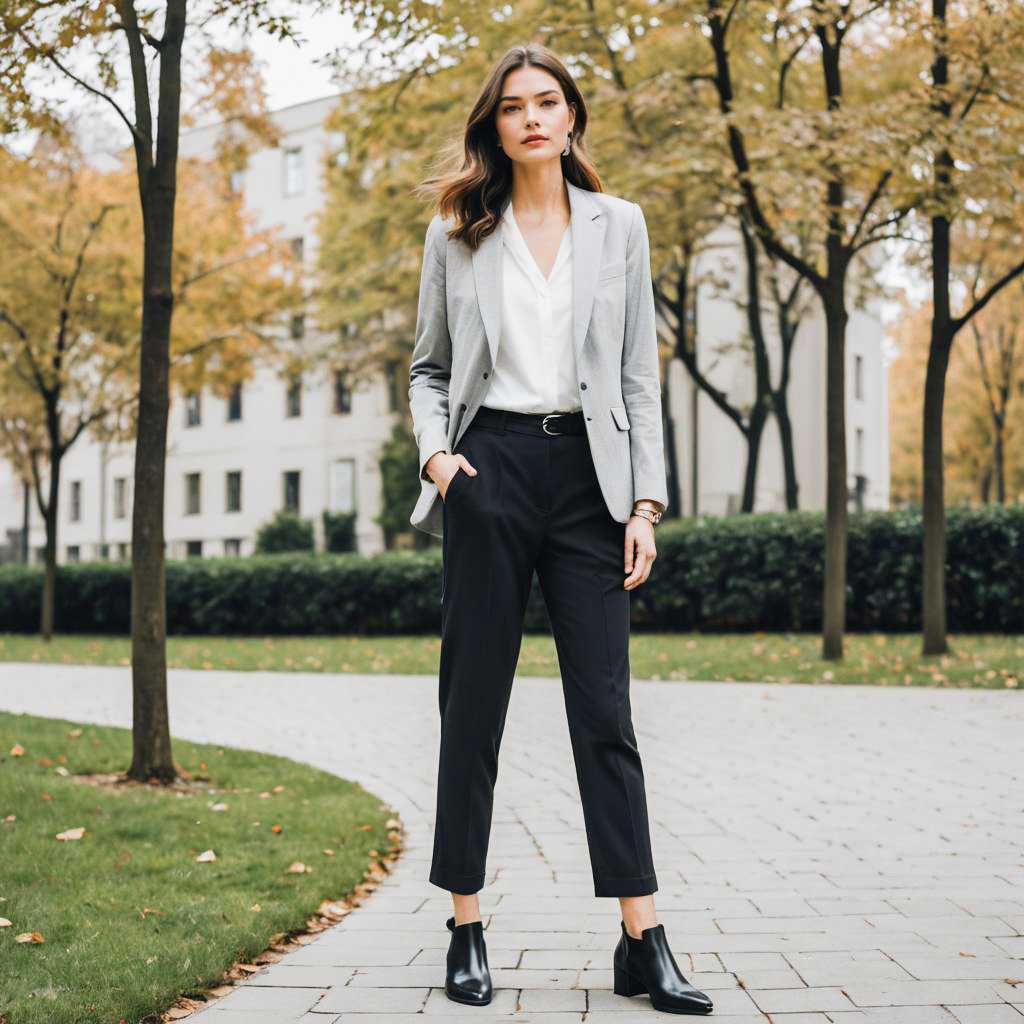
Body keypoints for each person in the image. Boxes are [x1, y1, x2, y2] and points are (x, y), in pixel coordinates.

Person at [407, 42, 713, 1016]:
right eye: (513, 105)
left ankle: (642, 936)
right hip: (488, 469)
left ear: (572, 116)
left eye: (548, 101)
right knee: (473, 708)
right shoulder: (457, 230)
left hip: (591, 480)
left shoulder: (619, 226)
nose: (532, 117)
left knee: (604, 714)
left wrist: (646, 504)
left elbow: (635, 375)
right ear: (493, 125)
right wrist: (437, 459)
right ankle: (464, 924)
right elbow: (426, 368)